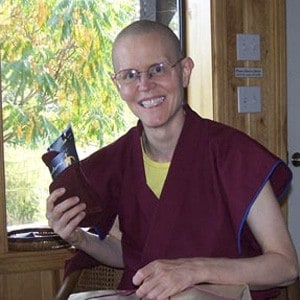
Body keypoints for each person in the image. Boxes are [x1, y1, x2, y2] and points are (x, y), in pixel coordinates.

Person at [46, 20, 299, 300]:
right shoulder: (120, 160)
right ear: (117, 85)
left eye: (158, 69)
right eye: (130, 75)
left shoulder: (234, 154)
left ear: (185, 71)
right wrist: (79, 238)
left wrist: (192, 271)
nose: (145, 85)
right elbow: (126, 253)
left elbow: (285, 266)